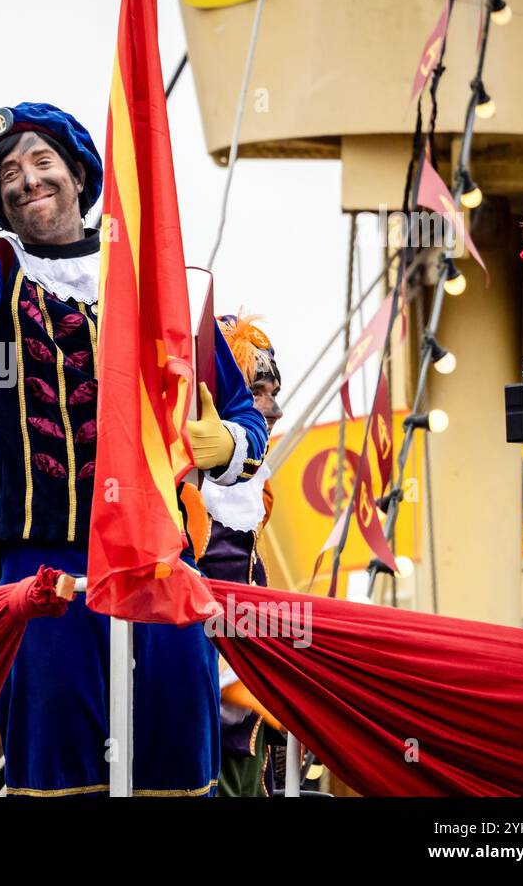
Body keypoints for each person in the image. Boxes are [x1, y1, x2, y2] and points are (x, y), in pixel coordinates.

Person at [0, 0, 268, 796]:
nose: (24, 179)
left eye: (41, 161)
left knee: (173, 777)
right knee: (57, 783)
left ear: (81, 175)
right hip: (41, 578)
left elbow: (249, 423)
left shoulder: (166, 291)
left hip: (160, 567)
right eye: (7, 173)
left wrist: (222, 439)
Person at [194, 313, 286, 796]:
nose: (275, 409)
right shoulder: (184, 496)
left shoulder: (254, 492)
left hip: (249, 706)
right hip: (206, 710)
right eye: (259, 392)